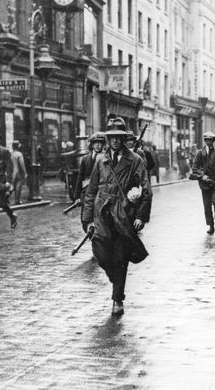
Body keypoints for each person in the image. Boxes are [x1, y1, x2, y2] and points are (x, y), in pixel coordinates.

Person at [82, 117, 152, 316]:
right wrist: (87, 219)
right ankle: (117, 282)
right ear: (107, 138)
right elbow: (91, 190)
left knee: (121, 258)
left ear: (123, 138)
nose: (114, 141)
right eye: (111, 137)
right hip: (102, 215)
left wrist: (140, 216)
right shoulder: (100, 161)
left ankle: (117, 299)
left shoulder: (135, 160)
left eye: (118, 137)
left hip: (123, 215)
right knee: (102, 257)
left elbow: (146, 190)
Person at [192, 132, 215, 235]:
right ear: (205, 141)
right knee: (207, 206)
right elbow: (194, 168)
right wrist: (202, 175)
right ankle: (211, 226)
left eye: (211, 140)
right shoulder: (200, 153)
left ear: (213, 141)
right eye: (207, 140)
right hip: (205, 185)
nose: (209, 142)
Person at [73, 132, 106, 206]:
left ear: (103, 144)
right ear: (92, 145)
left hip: (100, 194)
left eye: (100, 143)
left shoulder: (106, 158)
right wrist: (77, 196)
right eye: (95, 143)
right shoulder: (86, 159)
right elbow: (80, 178)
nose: (97, 145)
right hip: (86, 193)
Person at [10, 140, 27, 205]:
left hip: (11, 172)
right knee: (18, 185)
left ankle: (5, 198)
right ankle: (17, 200)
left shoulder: (10, 153)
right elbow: (22, 164)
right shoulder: (19, 154)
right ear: (18, 146)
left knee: (11, 185)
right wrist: (25, 173)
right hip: (17, 172)